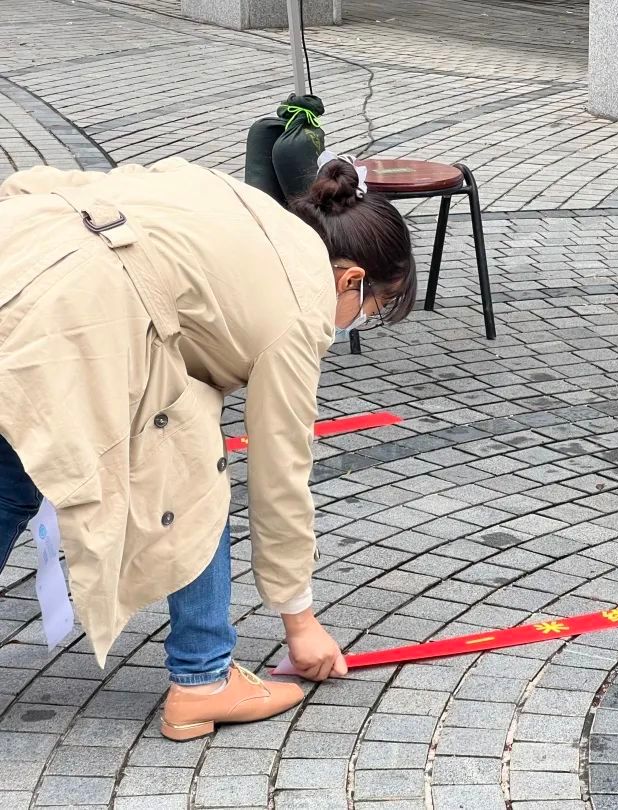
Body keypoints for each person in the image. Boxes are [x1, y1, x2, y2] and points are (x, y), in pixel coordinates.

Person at [0, 155, 416, 740]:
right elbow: (280, 472)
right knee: (195, 474)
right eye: (370, 309)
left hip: (18, 253)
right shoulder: (300, 310)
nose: (356, 322)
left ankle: (202, 675)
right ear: (350, 279)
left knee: (10, 477)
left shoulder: (251, 209)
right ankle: (202, 679)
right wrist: (300, 621)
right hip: (77, 315)